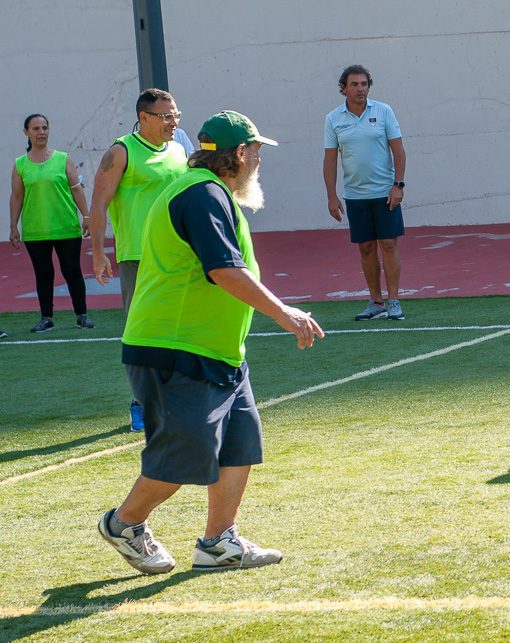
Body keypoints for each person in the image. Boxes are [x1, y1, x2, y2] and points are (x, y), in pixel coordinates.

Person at [98, 110, 325, 574]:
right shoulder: (202, 194)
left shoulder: (205, 190)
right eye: (256, 152)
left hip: (215, 350)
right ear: (238, 154)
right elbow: (223, 269)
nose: (258, 161)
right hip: (176, 348)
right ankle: (124, 523)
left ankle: (218, 542)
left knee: (239, 443)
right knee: (185, 455)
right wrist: (285, 313)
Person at [88, 88, 188, 430]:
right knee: (142, 333)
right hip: (139, 259)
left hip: (179, 258)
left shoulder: (178, 151)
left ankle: (171, 398)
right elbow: (98, 204)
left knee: (178, 330)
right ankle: (141, 402)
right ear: (144, 117)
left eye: (175, 115)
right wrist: (99, 252)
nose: (173, 122)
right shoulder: (121, 152)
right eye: (166, 116)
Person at [323, 64, 408, 320]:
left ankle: (394, 301)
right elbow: (329, 160)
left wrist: (398, 185)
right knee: (367, 248)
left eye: (364, 84)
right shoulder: (333, 119)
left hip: (385, 193)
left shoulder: (383, 111)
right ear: (343, 89)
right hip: (355, 195)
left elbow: (399, 150)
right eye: (354, 84)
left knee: (388, 245)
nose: (360, 89)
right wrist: (332, 196)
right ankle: (376, 302)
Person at [9, 114, 95, 332]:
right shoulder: (20, 164)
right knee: (44, 274)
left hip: (66, 227)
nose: (41, 132)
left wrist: (86, 216)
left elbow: (77, 188)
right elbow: (17, 197)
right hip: (36, 230)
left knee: (72, 271)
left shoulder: (62, 158)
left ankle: (82, 315)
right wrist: (13, 226)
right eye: (36, 128)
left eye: (45, 128)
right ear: (26, 132)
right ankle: (46, 317)